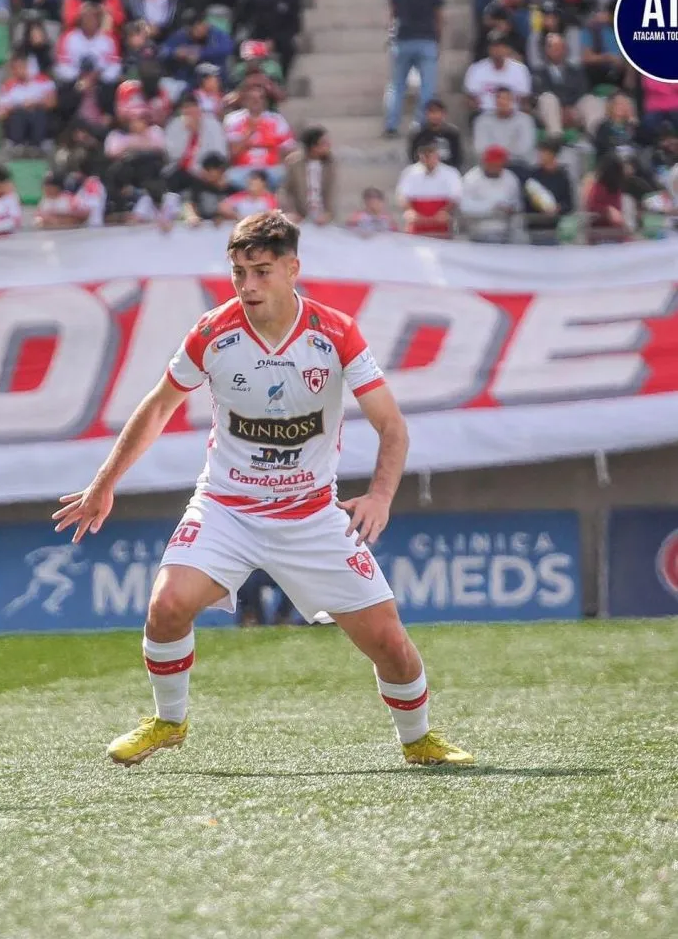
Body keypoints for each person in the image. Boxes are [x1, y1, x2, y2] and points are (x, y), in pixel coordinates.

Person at [53, 211, 473, 769]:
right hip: (227, 507)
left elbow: (391, 426)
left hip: (312, 515)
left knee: (389, 641)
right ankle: (168, 722)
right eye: (239, 272)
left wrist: (379, 496)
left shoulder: (336, 333)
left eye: (262, 271)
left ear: (293, 268)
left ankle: (418, 738)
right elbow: (158, 406)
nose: (248, 286)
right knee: (167, 605)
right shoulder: (212, 332)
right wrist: (103, 485)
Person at [384, 0, 444, 137]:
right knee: (427, 86)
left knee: (397, 85)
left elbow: (393, 13)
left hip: (403, 40)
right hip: (426, 40)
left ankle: (391, 124)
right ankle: (422, 124)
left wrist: (391, 36)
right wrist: (438, 40)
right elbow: (439, 16)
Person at [233, 0, 301, 79]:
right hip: (256, 36)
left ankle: (281, 80)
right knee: (240, 48)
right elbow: (244, 14)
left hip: (279, 39)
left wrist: (274, 41)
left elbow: (293, 24)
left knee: (289, 48)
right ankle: (244, 80)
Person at [0, 50, 57, 154]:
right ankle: (16, 145)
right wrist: (17, 106)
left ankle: (38, 144)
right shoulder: (8, 85)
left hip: (38, 115)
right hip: (18, 118)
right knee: (19, 114)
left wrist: (35, 103)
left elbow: (52, 103)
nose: (18, 71)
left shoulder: (43, 81)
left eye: (21, 67)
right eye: (15, 68)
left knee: (38, 113)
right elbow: (0, 113)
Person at [281, 125, 336, 225]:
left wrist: (328, 213)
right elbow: (284, 191)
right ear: (313, 147)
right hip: (300, 215)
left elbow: (332, 191)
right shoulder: (294, 163)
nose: (328, 146)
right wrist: (291, 212)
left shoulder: (330, 164)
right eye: (324, 143)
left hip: (322, 215)